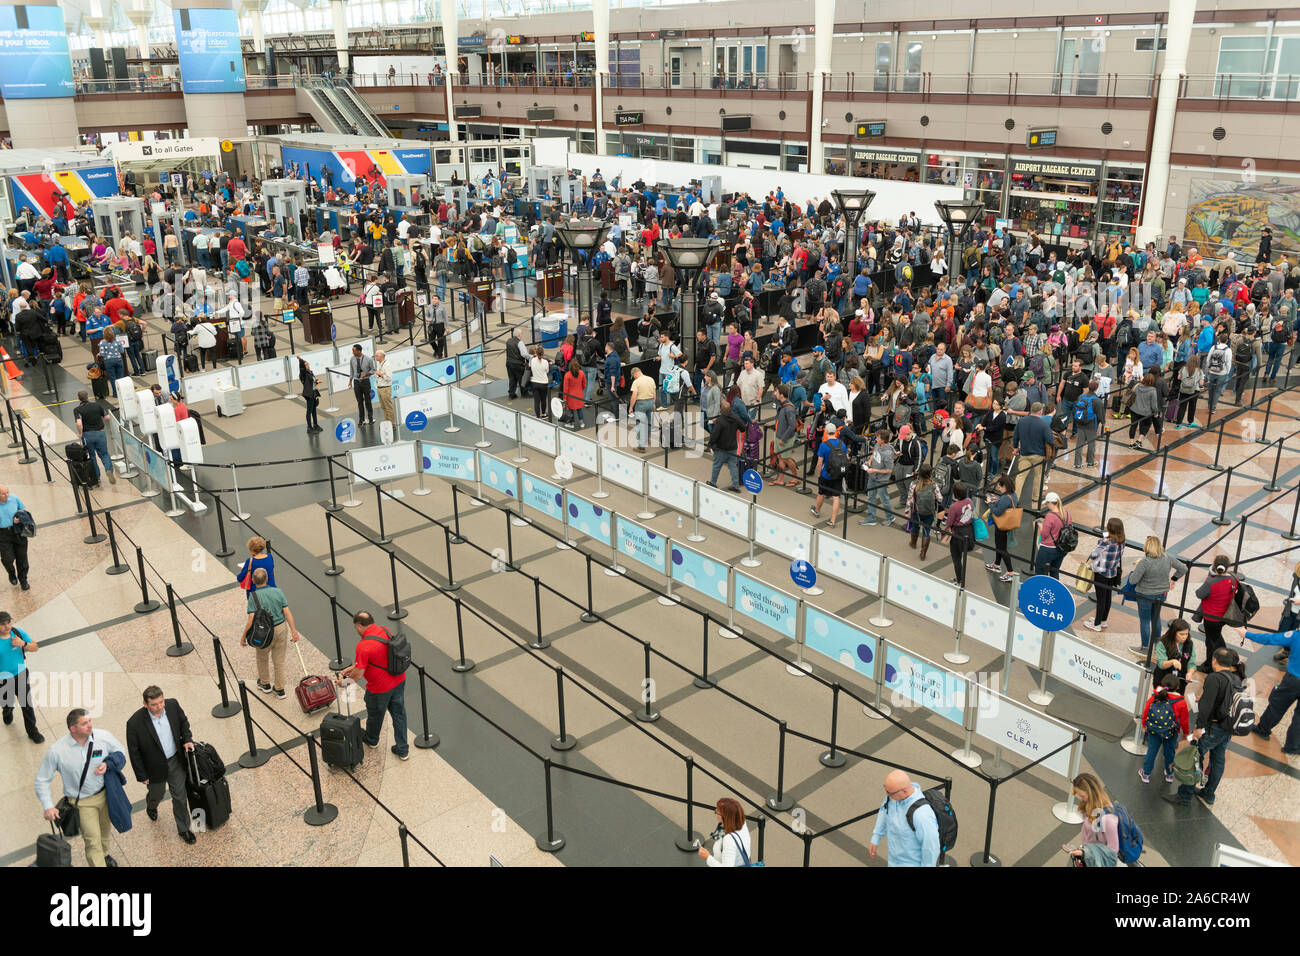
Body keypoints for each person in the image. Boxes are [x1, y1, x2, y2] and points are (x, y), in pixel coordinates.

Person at [35, 709, 126, 867]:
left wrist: (108, 763)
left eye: (89, 721)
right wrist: (48, 806)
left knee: (105, 831)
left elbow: (120, 752)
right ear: (73, 728)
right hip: (82, 803)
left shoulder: (103, 737)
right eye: (84, 723)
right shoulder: (57, 751)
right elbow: (42, 780)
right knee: (92, 840)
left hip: (106, 795)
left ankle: (104, 855)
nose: (90, 725)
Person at [1163, 647, 1245, 808]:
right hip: (1227, 727)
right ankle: (1209, 793)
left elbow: (1206, 708)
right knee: (1218, 759)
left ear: (1214, 661)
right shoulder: (1236, 678)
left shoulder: (1215, 678)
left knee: (1195, 758)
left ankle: (1184, 796)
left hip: (1213, 727)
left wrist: (1198, 728)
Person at [124, 685, 197, 844]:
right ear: (145, 704)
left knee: (180, 796)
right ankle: (151, 806)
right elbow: (134, 752)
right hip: (153, 768)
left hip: (175, 760)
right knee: (157, 794)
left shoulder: (172, 705)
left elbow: (184, 723)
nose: (159, 707)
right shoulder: (134, 723)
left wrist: (187, 739)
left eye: (161, 702)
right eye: (154, 704)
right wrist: (142, 775)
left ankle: (184, 829)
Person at [337, 611, 409, 760]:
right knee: (399, 714)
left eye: (355, 627)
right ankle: (403, 749)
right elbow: (380, 656)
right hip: (399, 679)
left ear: (359, 626)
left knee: (375, 715)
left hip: (379, 689)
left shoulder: (363, 646)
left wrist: (343, 683)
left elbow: (358, 675)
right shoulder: (384, 630)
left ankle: (372, 740)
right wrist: (354, 667)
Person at [1240, 624, 1300, 755]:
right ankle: (1293, 746)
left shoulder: (1296, 636)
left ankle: (1263, 729)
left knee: (1277, 705)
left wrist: (1247, 634)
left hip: (1293, 679)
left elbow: (1271, 638)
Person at [240, 567, 300, 698]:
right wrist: (294, 631)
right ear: (267, 579)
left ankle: (265, 683)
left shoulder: (253, 596)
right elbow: (287, 612)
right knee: (279, 661)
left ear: (253, 581)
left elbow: (251, 620)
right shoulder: (278, 592)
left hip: (263, 631)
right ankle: (279, 689)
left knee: (262, 657)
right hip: (280, 629)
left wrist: (244, 636)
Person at [1127, 536, 1186, 653]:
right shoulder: (1167, 557)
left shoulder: (1144, 562)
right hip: (1162, 594)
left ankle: (1144, 647)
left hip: (1145, 595)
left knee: (1144, 620)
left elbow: (1133, 580)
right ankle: (1156, 645)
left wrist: (1136, 570)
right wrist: (1174, 579)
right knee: (1156, 618)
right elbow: (1183, 568)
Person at [869, 770, 940, 867]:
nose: (887, 795)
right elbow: (884, 811)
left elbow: (931, 847)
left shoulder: (922, 815)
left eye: (890, 793)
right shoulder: (893, 798)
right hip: (893, 861)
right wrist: (876, 837)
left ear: (904, 791)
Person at [1139, 671, 1190, 784]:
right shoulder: (1181, 702)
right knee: (1169, 753)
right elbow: (1184, 720)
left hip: (1154, 731)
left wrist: (1144, 725)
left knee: (1152, 751)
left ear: (1163, 685)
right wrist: (1185, 733)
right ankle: (1169, 774)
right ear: (1177, 687)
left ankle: (1146, 774)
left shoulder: (1155, 696)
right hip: (1171, 732)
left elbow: (1146, 711)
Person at [0, 611, 44, 742]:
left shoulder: (17, 633)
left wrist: (23, 644)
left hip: (20, 673)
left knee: (26, 704)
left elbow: (35, 647)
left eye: (9, 622)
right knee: (7, 702)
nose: (7, 627)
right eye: (3, 624)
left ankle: (33, 732)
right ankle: (7, 711)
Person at [1062, 773, 1120, 867]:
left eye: (1082, 796)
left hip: (1096, 861)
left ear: (1092, 793)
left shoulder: (1108, 819)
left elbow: (1112, 851)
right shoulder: (1090, 806)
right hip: (1088, 855)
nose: (1079, 798)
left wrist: (1085, 853)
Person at [1084, 518, 1125, 631]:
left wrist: (1101, 541)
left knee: (1101, 599)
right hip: (1112, 572)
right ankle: (1103, 620)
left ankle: (1096, 624)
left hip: (1101, 573)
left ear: (1109, 528)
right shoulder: (1122, 542)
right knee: (1107, 598)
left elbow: (1093, 555)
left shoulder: (1105, 542)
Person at [74, 390, 116, 486]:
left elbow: (79, 423)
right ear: (87, 397)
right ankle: (108, 470)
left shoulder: (77, 409)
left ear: (78, 398)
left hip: (87, 435)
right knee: (104, 454)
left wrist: (80, 433)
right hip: (100, 433)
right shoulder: (97, 405)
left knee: (92, 457)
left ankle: (96, 477)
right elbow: (107, 417)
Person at [697, 797, 754, 867]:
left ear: (726, 817)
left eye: (717, 812)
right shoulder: (741, 822)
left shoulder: (729, 840)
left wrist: (707, 857)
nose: (716, 812)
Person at [809, 424, 847, 528]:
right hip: (838, 474)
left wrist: (819, 473)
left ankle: (817, 511)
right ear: (835, 432)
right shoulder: (841, 444)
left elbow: (819, 462)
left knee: (821, 493)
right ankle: (833, 520)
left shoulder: (824, 445)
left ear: (826, 432)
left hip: (826, 474)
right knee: (836, 497)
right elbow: (847, 457)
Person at [985, 475, 1018, 581]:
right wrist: (997, 500)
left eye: (1000, 486)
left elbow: (997, 512)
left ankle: (1010, 572)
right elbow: (1004, 503)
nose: (999, 489)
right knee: (999, 545)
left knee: (1002, 548)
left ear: (1005, 487)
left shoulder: (1005, 498)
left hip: (1002, 526)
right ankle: (996, 564)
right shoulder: (1013, 495)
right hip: (1006, 524)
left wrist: (990, 504)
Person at [706, 400, 743, 491]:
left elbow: (715, 435)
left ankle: (713, 483)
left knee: (716, 466)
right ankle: (735, 485)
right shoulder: (735, 418)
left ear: (721, 410)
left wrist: (710, 444)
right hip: (733, 447)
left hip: (721, 448)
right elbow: (742, 428)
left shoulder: (720, 421)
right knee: (733, 466)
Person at [1033, 492, 1071, 579]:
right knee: (1054, 572)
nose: (1046, 505)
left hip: (1048, 549)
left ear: (1050, 503)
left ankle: (1040, 590)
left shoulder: (1050, 516)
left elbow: (1044, 534)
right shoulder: (1067, 514)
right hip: (1062, 549)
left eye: (1047, 503)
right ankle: (1052, 591)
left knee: (1040, 572)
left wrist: (1040, 526)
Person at [944, 480, 975, 587]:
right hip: (968, 530)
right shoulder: (970, 501)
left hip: (957, 533)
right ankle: (959, 578)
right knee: (961, 555)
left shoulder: (954, 506)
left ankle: (960, 581)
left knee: (956, 558)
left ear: (955, 493)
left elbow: (949, 522)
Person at [0, 485, 31, 590]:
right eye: (3, 494)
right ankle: (11, 573)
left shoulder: (14, 498)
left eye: (7, 492)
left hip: (17, 531)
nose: (6, 495)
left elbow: (22, 510)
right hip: (3, 534)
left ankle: (23, 580)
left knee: (22, 559)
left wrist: (19, 517)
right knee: (7, 559)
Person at [627, 365, 656, 450]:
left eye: (633, 376)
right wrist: (653, 403)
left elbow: (634, 395)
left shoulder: (636, 382)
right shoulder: (651, 379)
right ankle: (647, 439)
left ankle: (641, 446)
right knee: (649, 422)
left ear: (635, 374)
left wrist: (631, 407)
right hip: (650, 402)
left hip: (641, 404)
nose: (634, 378)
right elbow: (654, 393)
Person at [349, 343, 377, 425]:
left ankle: (370, 418)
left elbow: (373, 370)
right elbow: (351, 370)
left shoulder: (368, 359)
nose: (353, 352)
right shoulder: (352, 359)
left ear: (359, 351)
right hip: (357, 382)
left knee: (368, 401)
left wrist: (366, 374)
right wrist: (350, 381)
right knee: (359, 402)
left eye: (354, 351)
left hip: (365, 382)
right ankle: (361, 420)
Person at [530, 346, 553, 421]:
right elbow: (547, 371)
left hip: (534, 382)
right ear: (543, 354)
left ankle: (537, 416)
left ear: (536, 353)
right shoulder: (545, 362)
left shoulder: (532, 360)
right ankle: (543, 414)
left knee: (536, 401)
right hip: (543, 383)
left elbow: (530, 367)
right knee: (543, 399)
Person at [374, 348, 396, 427]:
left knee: (388, 407)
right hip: (380, 388)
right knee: (383, 407)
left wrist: (380, 374)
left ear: (381, 356)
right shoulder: (380, 363)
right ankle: (387, 421)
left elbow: (389, 378)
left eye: (376, 356)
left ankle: (392, 423)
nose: (375, 357)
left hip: (385, 388)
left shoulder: (387, 365)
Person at [299, 357, 322, 433]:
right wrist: (301, 360)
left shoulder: (310, 372)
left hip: (313, 393)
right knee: (309, 411)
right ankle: (309, 427)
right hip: (309, 394)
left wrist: (317, 381)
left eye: (308, 364)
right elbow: (301, 368)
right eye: (306, 365)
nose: (308, 366)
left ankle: (315, 425)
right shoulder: (303, 374)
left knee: (314, 410)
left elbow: (313, 381)